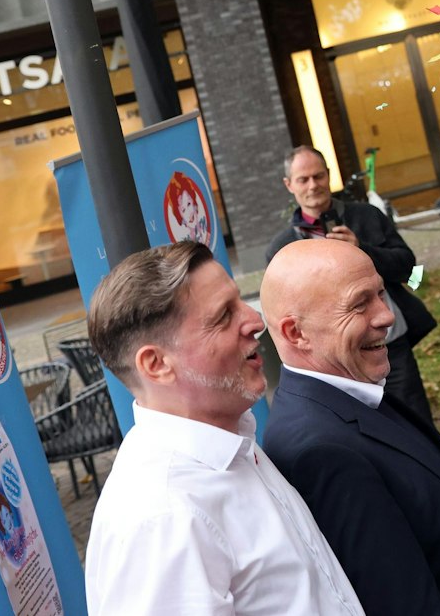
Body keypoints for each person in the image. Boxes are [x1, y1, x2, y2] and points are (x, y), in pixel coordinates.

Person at [84, 242, 363, 616]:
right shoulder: (164, 517)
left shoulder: (228, 443)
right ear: (156, 364)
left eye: (240, 302)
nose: (255, 320)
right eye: (223, 316)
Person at [259, 239, 440, 616]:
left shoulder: (353, 392)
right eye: (359, 304)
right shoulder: (320, 453)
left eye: (380, 293)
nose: (386, 315)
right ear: (296, 333)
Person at [268, 146, 437, 423]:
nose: (313, 185)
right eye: (303, 179)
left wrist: (362, 249)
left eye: (319, 176)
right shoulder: (282, 248)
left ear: (329, 175)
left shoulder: (366, 215)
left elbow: (409, 266)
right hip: (333, 360)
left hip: (388, 343)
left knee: (416, 422)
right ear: (289, 185)